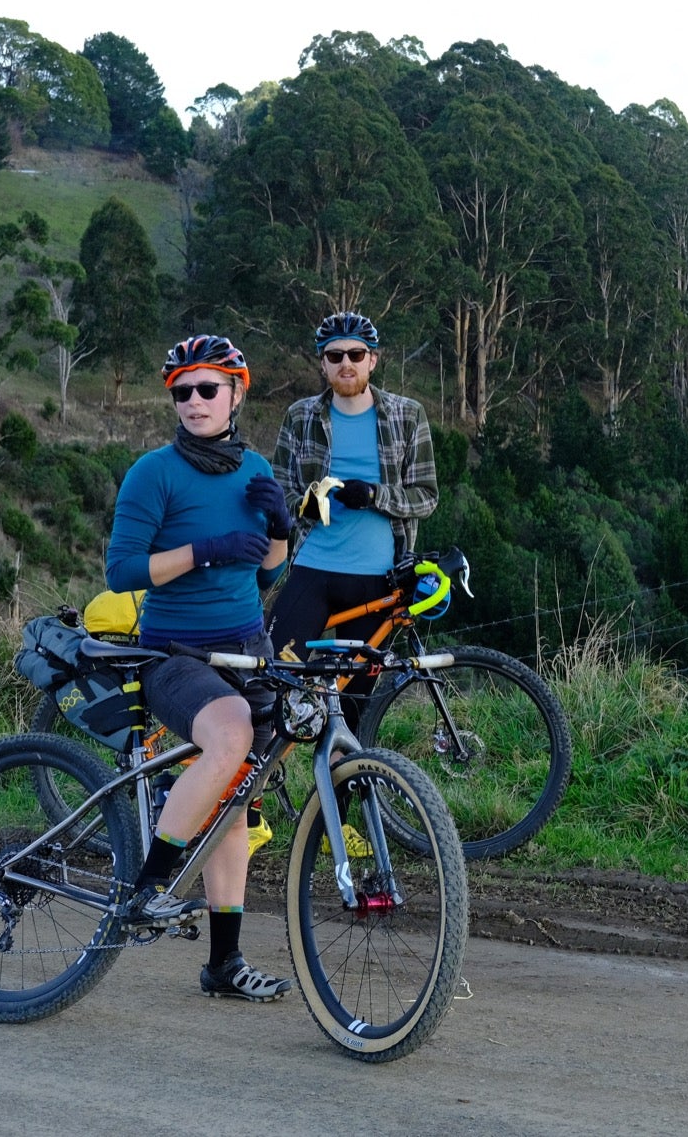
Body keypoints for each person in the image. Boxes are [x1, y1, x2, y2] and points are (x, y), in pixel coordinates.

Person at [104, 334, 295, 1003]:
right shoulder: (153, 473)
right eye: (181, 390)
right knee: (233, 734)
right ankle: (149, 886)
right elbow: (123, 569)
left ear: (237, 393)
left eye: (206, 388)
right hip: (174, 652)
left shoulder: (256, 469)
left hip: (246, 644)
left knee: (237, 793)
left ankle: (223, 963)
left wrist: (279, 529)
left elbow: (270, 571)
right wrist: (202, 550)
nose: (192, 401)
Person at [269, 311, 439, 728]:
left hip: (378, 578)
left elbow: (427, 495)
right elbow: (278, 488)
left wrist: (376, 495)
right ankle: (252, 778)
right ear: (323, 364)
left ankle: (339, 791)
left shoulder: (407, 415)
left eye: (356, 354)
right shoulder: (300, 415)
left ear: (373, 360)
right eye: (335, 355)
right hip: (312, 567)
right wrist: (302, 506)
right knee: (272, 675)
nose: (347, 363)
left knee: (352, 704)